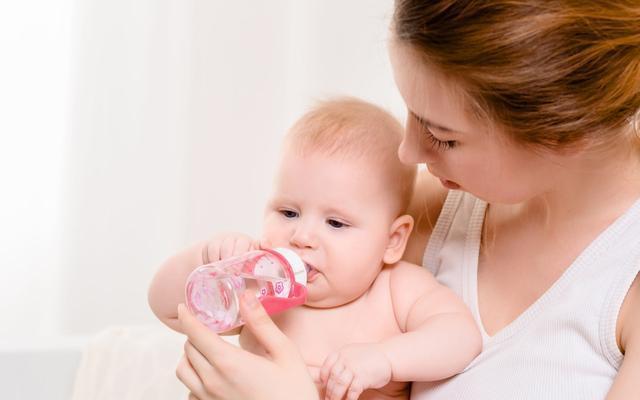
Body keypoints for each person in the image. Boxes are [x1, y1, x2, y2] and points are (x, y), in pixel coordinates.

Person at [167, 1, 640, 398]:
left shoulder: (621, 286)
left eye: (443, 137)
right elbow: (181, 301)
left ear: (561, 134)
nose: (407, 153)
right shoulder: (423, 211)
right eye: (410, 112)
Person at [148, 98, 482, 400]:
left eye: (336, 223)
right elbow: (166, 305)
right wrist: (208, 260)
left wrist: (386, 359)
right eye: (288, 213)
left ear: (392, 241)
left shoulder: (396, 290)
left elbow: (461, 337)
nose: (302, 236)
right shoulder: (260, 284)